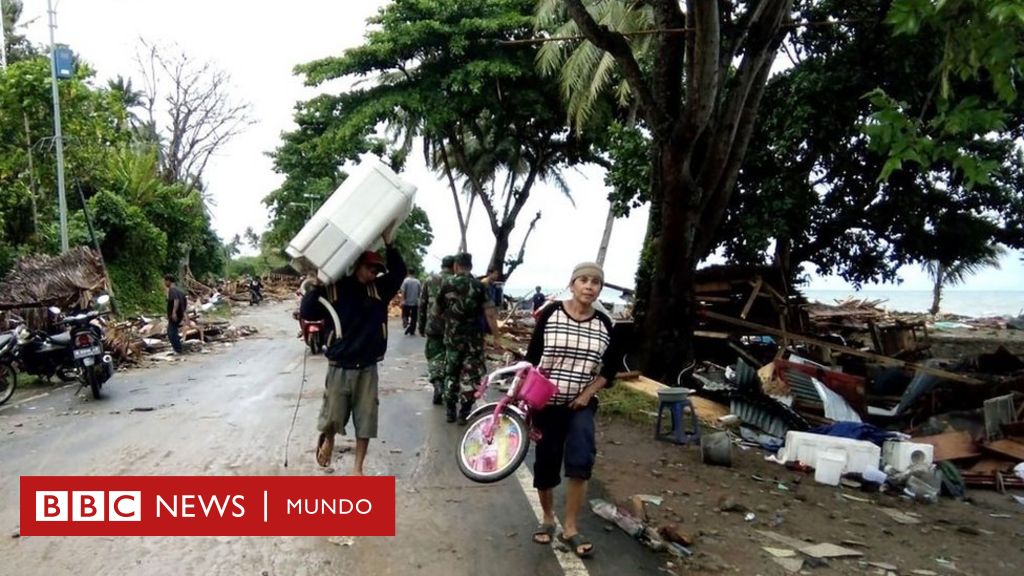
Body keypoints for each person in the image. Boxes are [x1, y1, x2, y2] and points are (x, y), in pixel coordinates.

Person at [525, 262, 618, 559]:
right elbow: (532, 359)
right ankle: (548, 517)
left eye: (596, 282)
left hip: (580, 405)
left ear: (599, 289)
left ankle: (571, 526)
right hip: (546, 404)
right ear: (572, 284)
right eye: (584, 280)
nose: (590, 286)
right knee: (546, 462)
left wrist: (587, 393)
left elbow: (610, 371)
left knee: (580, 458)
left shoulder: (604, 324)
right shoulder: (551, 314)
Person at [300, 229, 406, 475]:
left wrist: (389, 243)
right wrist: (315, 286)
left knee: (366, 419)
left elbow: (399, 273)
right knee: (333, 414)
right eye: (370, 269)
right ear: (358, 266)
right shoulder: (334, 288)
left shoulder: (378, 290)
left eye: (377, 271)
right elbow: (308, 313)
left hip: (367, 366)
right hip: (339, 364)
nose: (373, 274)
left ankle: (357, 468)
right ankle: (329, 438)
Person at [437, 252, 498, 424]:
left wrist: (448, 325)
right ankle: (464, 413)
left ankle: (450, 411)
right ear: (470, 266)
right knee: (470, 377)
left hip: (452, 340)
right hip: (473, 342)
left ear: (456, 266)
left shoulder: (447, 284)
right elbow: (490, 313)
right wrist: (497, 337)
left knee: (451, 373)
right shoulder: (479, 286)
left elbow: (437, 311)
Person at [418, 255, 455, 404]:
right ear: (453, 266)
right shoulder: (455, 281)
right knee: (450, 356)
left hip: (433, 325)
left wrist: (421, 325)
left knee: (434, 356)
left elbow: (422, 304)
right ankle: (448, 387)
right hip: (452, 327)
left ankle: (437, 383)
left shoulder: (429, 280)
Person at [163, 274, 188, 354]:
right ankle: (178, 348)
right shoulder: (180, 291)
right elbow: (184, 303)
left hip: (175, 315)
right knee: (174, 332)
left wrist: (173, 312)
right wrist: (184, 314)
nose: (164, 283)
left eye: (165, 281)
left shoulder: (172, 290)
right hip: (180, 314)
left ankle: (178, 350)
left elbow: (176, 300)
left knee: (171, 333)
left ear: (168, 281)